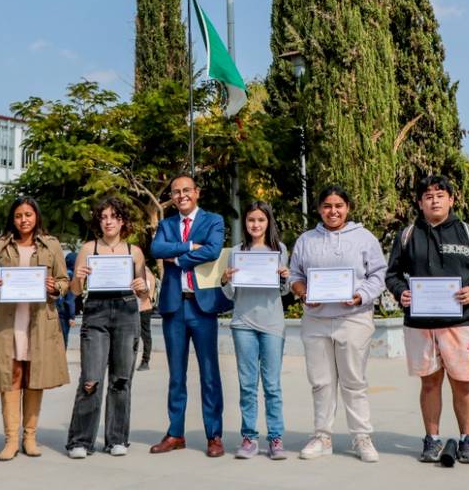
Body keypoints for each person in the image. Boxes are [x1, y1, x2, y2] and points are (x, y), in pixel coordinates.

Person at [385, 174, 469, 465]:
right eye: (428, 196)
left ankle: (467, 440)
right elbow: (392, 275)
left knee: (463, 383)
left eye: (440, 194)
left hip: (461, 323)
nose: (434, 200)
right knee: (430, 384)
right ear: (420, 203)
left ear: (451, 199)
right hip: (421, 325)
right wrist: (402, 293)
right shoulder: (408, 235)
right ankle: (431, 440)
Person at [289, 186, 385, 463]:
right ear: (319, 209)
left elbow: (378, 274)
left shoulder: (364, 238)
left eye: (339, 205)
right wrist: (302, 291)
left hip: (353, 318)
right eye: (327, 206)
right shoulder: (306, 240)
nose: (333, 211)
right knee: (321, 382)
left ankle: (361, 437)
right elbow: (295, 274)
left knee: (354, 381)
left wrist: (360, 295)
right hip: (316, 320)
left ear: (348, 208)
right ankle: (322, 436)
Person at [148, 174, 232, 458]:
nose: (181, 195)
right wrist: (188, 247)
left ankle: (214, 435)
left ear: (197, 192)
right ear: (171, 196)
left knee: (210, 373)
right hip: (174, 306)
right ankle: (175, 433)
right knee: (176, 375)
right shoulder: (167, 224)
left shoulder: (213, 220)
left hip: (202, 306)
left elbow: (213, 250)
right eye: (176, 192)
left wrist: (179, 259)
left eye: (186, 190)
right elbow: (157, 249)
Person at [0, 197, 70, 461]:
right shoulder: (0, 244)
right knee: (12, 375)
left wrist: (56, 286)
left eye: (28, 215)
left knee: (34, 376)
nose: (24, 220)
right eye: (19, 215)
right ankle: (10, 440)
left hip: (40, 320)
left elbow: (65, 280)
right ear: (13, 218)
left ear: (36, 216)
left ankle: (30, 437)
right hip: (9, 320)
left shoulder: (51, 244)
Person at [65, 197, 151, 458]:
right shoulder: (88, 248)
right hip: (96, 313)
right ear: (98, 222)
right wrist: (78, 279)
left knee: (121, 379)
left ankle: (117, 439)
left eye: (113, 216)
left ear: (122, 221)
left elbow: (144, 291)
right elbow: (75, 292)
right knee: (91, 378)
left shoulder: (133, 251)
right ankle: (80, 440)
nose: (108, 221)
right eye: (103, 217)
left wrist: (142, 287)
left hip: (126, 312)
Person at [220, 201, 290, 460]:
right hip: (243, 323)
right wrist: (225, 279)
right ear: (245, 223)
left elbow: (283, 290)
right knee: (247, 384)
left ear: (268, 222)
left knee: (272, 385)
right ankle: (249, 437)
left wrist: (285, 276)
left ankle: (275, 438)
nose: (256, 225)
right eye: (251, 220)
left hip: (272, 323)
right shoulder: (236, 252)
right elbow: (229, 294)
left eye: (260, 220)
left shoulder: (279, 250)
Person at [134, 263, 157, 371]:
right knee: (138, 335)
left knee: (144, 335)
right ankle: (142, 360)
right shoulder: (147, 274)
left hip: (143, 308)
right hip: (139, 308)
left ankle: (145, 360)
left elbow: (148, 293)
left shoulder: (146, 274)